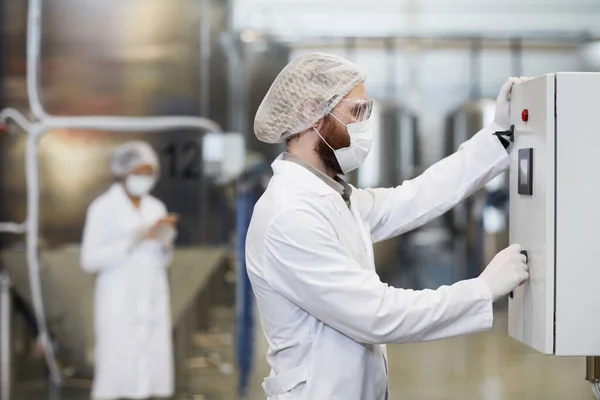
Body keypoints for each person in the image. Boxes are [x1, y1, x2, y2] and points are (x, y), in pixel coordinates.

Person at [245, 52, 530, 400]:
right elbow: (379, 314)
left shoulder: (330, 195)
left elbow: (414, 198)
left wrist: (496, 138)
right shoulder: (289, 215)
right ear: (310, 111)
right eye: (357, 112)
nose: (364, 127)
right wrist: (482, 290)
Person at [81, 141, 177, 400]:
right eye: (139, 172)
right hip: (118, 303)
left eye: (149, 173)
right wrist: (132, 240)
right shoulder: (102, 208)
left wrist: (164, 242)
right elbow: (89, 259)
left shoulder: (155, 207)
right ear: (124, 172)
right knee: (115, 373)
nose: (144, 178)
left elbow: (162, 260)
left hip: (152, 298)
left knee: (148, 373)